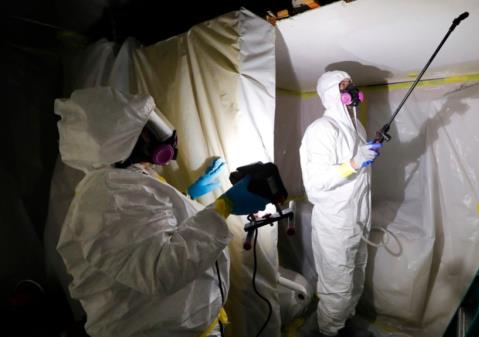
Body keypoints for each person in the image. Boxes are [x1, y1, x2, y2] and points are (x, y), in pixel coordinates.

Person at [54, 87, 269, 337]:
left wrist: (189, 197)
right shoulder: (110, 194)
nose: (162, 136)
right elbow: (161, 269)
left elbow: (149, 231)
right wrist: (222, 209)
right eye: (148, 131)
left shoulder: (121, 182)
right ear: (120, 140)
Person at [299, 70, 381, 336]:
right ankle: (327, 331)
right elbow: (316, 184)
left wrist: (364, 154)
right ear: (331, 93)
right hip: (336, 224)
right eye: (344, 86)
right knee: (338, 288)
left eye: (351, 85)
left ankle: (342, 324)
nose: (351, 90)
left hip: (358, 218)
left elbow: (355, 175)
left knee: (356, 279)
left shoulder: (357, 127)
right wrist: (353, 163)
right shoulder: (321, 130)